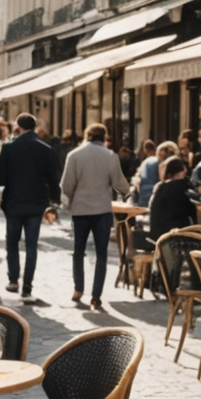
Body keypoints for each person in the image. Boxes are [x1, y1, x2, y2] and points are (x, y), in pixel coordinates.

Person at [61, 123, 131, 310]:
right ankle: (96, 296)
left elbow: (66, 185)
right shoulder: (110, 156)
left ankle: (78, 289)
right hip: (102, 210)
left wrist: (71, 199)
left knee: (78, 251)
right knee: (101, 254)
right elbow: (119, 182)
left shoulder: (74, 155)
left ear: (87, 135)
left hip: (80, 209)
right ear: (104, 137)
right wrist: (127, 192)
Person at [0, 113, 59, 301]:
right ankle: (27, 287)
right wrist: (55, 200)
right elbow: (53, 179)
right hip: (37, 203)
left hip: (13, 202)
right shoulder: (45, 149)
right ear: (34, 126)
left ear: (18, 126)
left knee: (12, 242)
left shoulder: (9, 148)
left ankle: (13, 280)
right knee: (31, 246)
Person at [147, 157, 201, 240]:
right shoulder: (184, 187)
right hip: (178, 235)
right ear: (182, 171)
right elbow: (193, 211)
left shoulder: (160, 187)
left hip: (158, 237)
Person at [134, 140, 169, 207]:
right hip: (155, 198)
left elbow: (137, 179)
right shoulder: (158, 163)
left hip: (143, 199)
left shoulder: (145, 162)